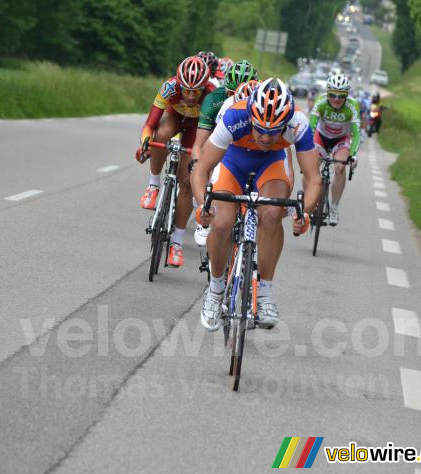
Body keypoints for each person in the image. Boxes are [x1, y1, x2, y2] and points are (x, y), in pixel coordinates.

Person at [191, 78, 321, 330]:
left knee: (272, 213)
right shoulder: (234, 116)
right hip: (233, 161)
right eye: (260, 129)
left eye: (274, 131)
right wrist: (201, 206)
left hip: (271, 163)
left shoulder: (298, 123)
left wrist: (304, 213)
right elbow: (202, 169)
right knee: (221, 221)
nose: (265, 136)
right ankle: (216, 291)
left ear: (285, 123)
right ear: (251, 115)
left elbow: (314, 178)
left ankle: (264, 296)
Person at [136, 55, 216, 267]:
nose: (190, 95)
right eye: (186, 90)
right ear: (179, 84)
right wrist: (145, 142)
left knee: (188, 181)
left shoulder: (210, 94)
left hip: (197, 127)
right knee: (161, 135)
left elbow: (212, 136)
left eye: (195, 91)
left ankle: (177, 243)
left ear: (203, 87)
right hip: (173, 116)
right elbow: (149, 125)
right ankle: (154, 184)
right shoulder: (170, 87)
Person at [190, 60, 258, 247]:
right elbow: (201, 145)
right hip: (222, 141)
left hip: (248, 146)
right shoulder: (218, 101)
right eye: (230, 92)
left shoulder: (260, 106)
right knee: (209, 167)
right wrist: (198, 165)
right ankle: (204, 219)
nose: (236, 98)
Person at [308, 73, 361, 226]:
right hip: (321, 137)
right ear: (327, 93)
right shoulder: (320, 101)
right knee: (311, 166)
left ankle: (334, 208)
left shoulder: (353, 105)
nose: (336, 99)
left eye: (341, 96)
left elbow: (356, 134)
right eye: (332, 95)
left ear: (347, 95)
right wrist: (307, 150)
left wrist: (353, 155)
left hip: (341, 140)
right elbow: (311, 128)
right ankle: (309, 201)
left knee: (340, 167)